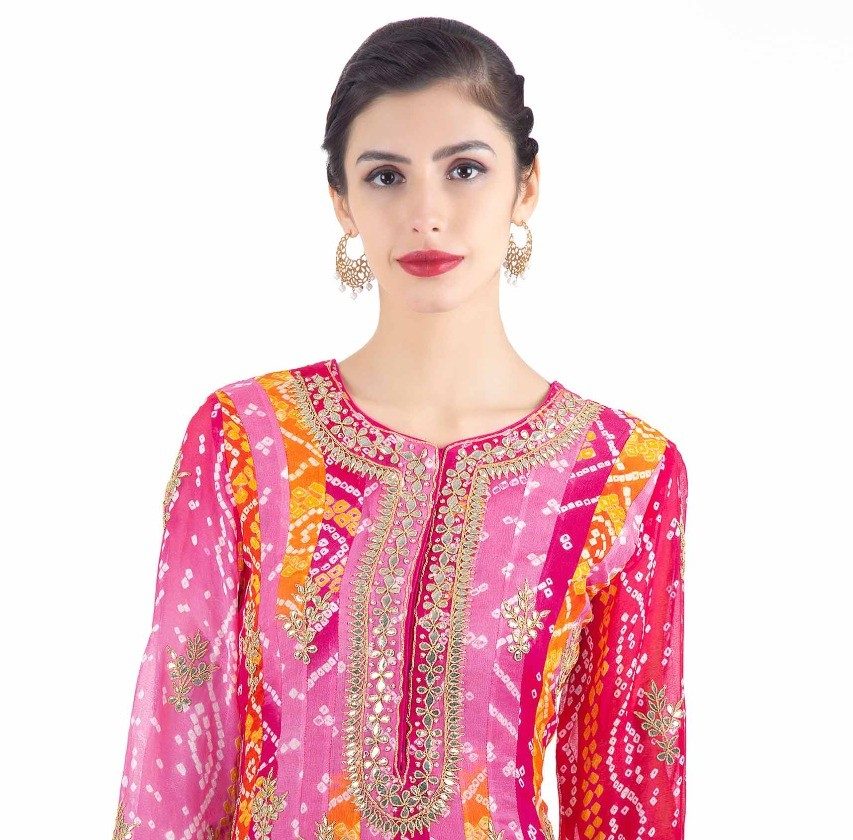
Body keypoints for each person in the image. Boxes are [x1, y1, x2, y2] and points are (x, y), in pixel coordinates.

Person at [111, 16, 689, 840]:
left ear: (526, 187)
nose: (425, 213)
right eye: (385, 176)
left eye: (464, 169)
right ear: (341, 202)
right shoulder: (246, 441)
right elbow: (177, 764)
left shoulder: (621, 472)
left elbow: (631, 788)